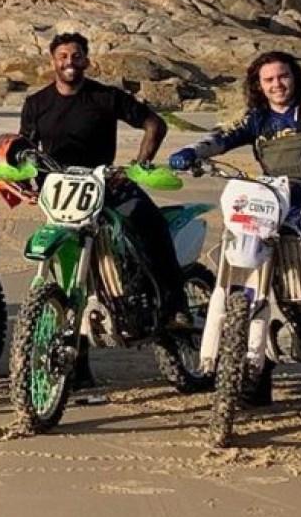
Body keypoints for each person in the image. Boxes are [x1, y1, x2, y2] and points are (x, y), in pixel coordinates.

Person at [169, 50, 301, 405]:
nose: (278, 84)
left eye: (283, 76)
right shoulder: (256, 119)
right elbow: (221, 137)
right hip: (273, 202)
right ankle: (251, 381)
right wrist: (192, 152)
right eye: (269, 79)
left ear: (295, 77)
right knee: (255, 269)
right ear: (258, 85)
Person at [18, 31, 189, 389]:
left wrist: (137, 165)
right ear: (52, 61)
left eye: (76, 55)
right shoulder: (36, 103)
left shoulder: (105, 97)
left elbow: (154, 123)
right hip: (62, 193)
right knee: (69, 275)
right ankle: (78, 368)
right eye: (63, 56)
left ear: (86, 60)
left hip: (107, 185)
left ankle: (176, 306)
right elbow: (26, 150)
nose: (69, 62)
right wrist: (25, 181)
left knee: (151, 225)